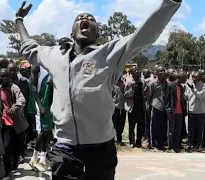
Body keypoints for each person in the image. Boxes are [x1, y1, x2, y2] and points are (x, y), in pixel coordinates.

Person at [16, 0, 182, 178]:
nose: (84, 18)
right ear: (72, 31)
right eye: (79, 18)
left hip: (101, 147)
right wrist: (19, 19)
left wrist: (170, 3)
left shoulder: (108, 54)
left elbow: (143, 35)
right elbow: (30, 49)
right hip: (65, 147)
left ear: (97, 33)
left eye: (90, 19)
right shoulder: (54, 55)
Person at [0, 68, 28, 178]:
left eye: (6, 76)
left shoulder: (14, 88)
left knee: (17, 146)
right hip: (4, 123)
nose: (4, 78)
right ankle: (7, 170)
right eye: (2, 76)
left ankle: (15, 160)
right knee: (6, 148)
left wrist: (15, 107)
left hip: (16, 124)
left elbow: (21, 99)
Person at [28, 65, 54, 171]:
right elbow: (33, 87)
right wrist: (39, 105)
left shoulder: (53, 65)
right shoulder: (36, 67)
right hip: (42, 102)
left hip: (50, 102)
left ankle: (43, 158)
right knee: (43, 131)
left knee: (48, 131)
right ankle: (34, 158)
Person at [146, 66, 168, 151]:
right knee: (154, 127)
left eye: (163, 71)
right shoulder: (153, 83)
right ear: (157, 73)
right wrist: (150, 104)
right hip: (155, 107)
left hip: (163, 108)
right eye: (160, 71)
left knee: (162, 128)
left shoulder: (166, 83)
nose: (162, 73)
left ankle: (160, 144)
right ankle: (153, 145)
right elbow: (149, 95)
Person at [165, 70, 187, 153]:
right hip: (172, 112)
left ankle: (176, 146)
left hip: (180, 112)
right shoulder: (171, 86)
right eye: (185, 78)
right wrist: (168, 111)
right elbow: (166, 99)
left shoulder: (181, 87)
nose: (186, 80)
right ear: (181, 78)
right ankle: (171, 147)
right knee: (171, 130)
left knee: (178, 130)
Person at [186, 71, 205, 152]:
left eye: (195, 77)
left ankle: (198, 145)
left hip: (200, 111)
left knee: (199, 130)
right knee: (191, 130)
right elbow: (187, 96)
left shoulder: (204, 85)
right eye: (192, 77)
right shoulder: (189, 86)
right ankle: (189, 145)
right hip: (191, 111)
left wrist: (193, 88)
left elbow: (200, 95)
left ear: (200, 77)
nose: (193, 79)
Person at [112, 77, 126, 145]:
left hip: (122, 107)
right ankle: (114, 139)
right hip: (115, 107)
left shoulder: (123, 85)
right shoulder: (113, 86)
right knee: (115, 123)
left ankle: (119, 139)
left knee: (121, 123)